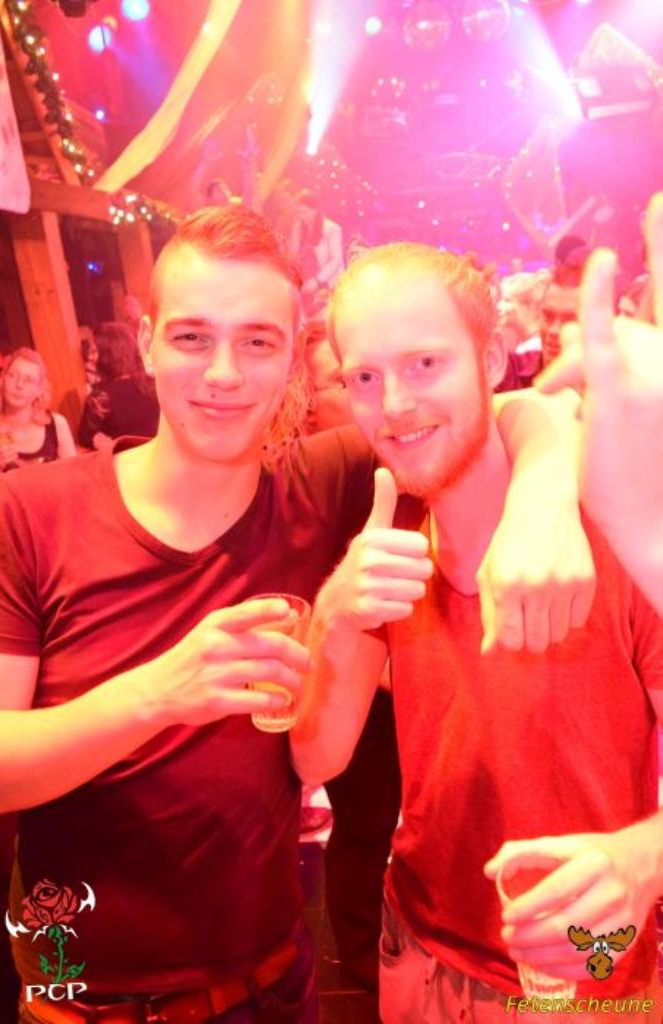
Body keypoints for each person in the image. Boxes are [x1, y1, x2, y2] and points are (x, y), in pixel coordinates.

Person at [0, 206, 596, 1024]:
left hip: (273, 983)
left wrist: (543, 495)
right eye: (193, 337)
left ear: (293, 362)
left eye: (257, 342)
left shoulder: (323, 486)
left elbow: (512, 408)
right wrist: (153, 695)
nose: (224, 373)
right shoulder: (29, 513)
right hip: (82, 1000)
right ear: (149, 340)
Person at [293, 240, 663, 1023]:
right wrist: (335, 613)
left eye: (425, 364)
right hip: (416, 943)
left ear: (490, 358)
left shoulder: (611, 541)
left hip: (587, 974)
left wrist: (641, 860)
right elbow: (314, 757)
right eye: (364, 377)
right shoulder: (389, 536)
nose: (394, 403)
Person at [303, 317, 402, 991]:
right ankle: (362, 964)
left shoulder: (408, 459)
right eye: (349, 380)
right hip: (356, 695)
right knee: (365, 824)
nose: (376, 397)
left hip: (415, 687)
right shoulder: (308, 482)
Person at [537, 191, 663, 616]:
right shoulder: (520, 385)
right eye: (547, 316)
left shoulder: (638, 405)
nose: (556, 331)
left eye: (570, 319)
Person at [0, 348, 76, 480]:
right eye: (12, 376)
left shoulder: (57, 425)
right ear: (2, 381)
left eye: (29, 380)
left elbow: (74, 478)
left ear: (39, 390)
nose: (19, 385)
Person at [78, 321, 159, 450]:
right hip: (159, 456)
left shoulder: (102, 395)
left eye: (94, 351)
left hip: (126, 460)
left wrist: (98, 438)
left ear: (109, 354)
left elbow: (84, 436)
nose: (90, 357)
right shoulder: (152, 382)